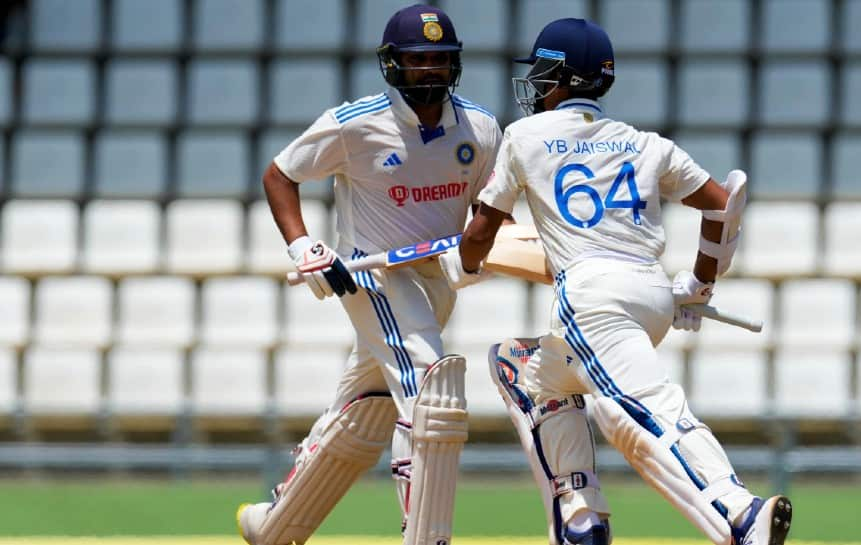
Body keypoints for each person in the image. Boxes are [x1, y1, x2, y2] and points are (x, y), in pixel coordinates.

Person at [447, 17, 793, 545]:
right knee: (523, 370)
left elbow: (482, 232)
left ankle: (738, 511)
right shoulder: (644, 144)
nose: (535, 82)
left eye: (542, 71)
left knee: (639, 409)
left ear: (562, 77)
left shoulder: (522, 137)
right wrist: (699, 285)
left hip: (590, 299)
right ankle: (581, 516)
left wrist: (465, 269)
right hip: (650, 292)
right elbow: (725, 206)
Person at [235, 5, 501, 545]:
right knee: (431, 387)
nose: (429, 70)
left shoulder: (481, 128)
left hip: (434, 282)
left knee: (363, 413)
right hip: (370, 277)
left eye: (439, 60)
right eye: (417, 59)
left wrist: (473, 254)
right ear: (392, 64)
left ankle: (274, 525)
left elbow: (490, 210)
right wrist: (304, 245)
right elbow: (280, 174)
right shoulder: (354, 123)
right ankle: (426, 535)